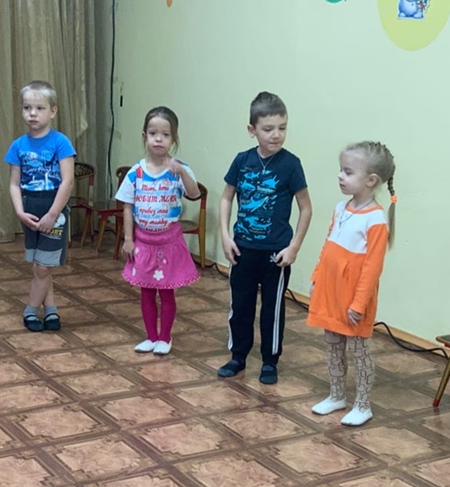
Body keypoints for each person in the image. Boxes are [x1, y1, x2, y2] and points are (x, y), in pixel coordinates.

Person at [218, 91, 312, 384]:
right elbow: (226, 198)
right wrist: (225, 236)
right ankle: (238, 356)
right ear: (252, 130)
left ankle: (270, 361)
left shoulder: (291, 164)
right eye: (268, 129)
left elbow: (306, 208)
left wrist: (294, 247)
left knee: (273, 309)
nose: (276, 135)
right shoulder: (242, 161)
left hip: (276, 254)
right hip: (242, 250)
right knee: (241, 306)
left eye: (282, 128)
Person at [306, 141, 395, 427]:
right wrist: (316, 278)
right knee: (333, 345)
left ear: (371, 180)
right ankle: (336, 396)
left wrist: (358, 303)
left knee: (358, 351)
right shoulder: (340, 208)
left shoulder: (376, 219)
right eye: (341, 170)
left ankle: (362, 405)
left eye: (348, 172)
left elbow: (372, 268)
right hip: (331, 291)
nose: (340, 176)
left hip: (353, 299)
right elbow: (328, 246)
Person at [117, 107, 200, 354]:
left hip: (168, 243)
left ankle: (165, 337)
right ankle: (151, 336)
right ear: (145, 136)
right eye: (153, 133)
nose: (158, 139)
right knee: (146, 291)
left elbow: (194, 193)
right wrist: (128, 239)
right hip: (144, 243)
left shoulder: (178, 170)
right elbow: (127, 206)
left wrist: (182, 171)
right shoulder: (136, 172)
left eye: (165, 134)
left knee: (166, 292)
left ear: (173, 139)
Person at [6, 80, 76, 332]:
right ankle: (51, 309)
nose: (32, 114)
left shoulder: (61, 143)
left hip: (53, 210)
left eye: (39, 108)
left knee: (43, 266)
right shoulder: (18, 145)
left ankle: (30, 309)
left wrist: (53, 214)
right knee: (39, 264)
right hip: (30, 209)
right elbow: (14, 183)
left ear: (53, 111)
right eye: (27, 108)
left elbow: (67, 181)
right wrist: (20, 212)